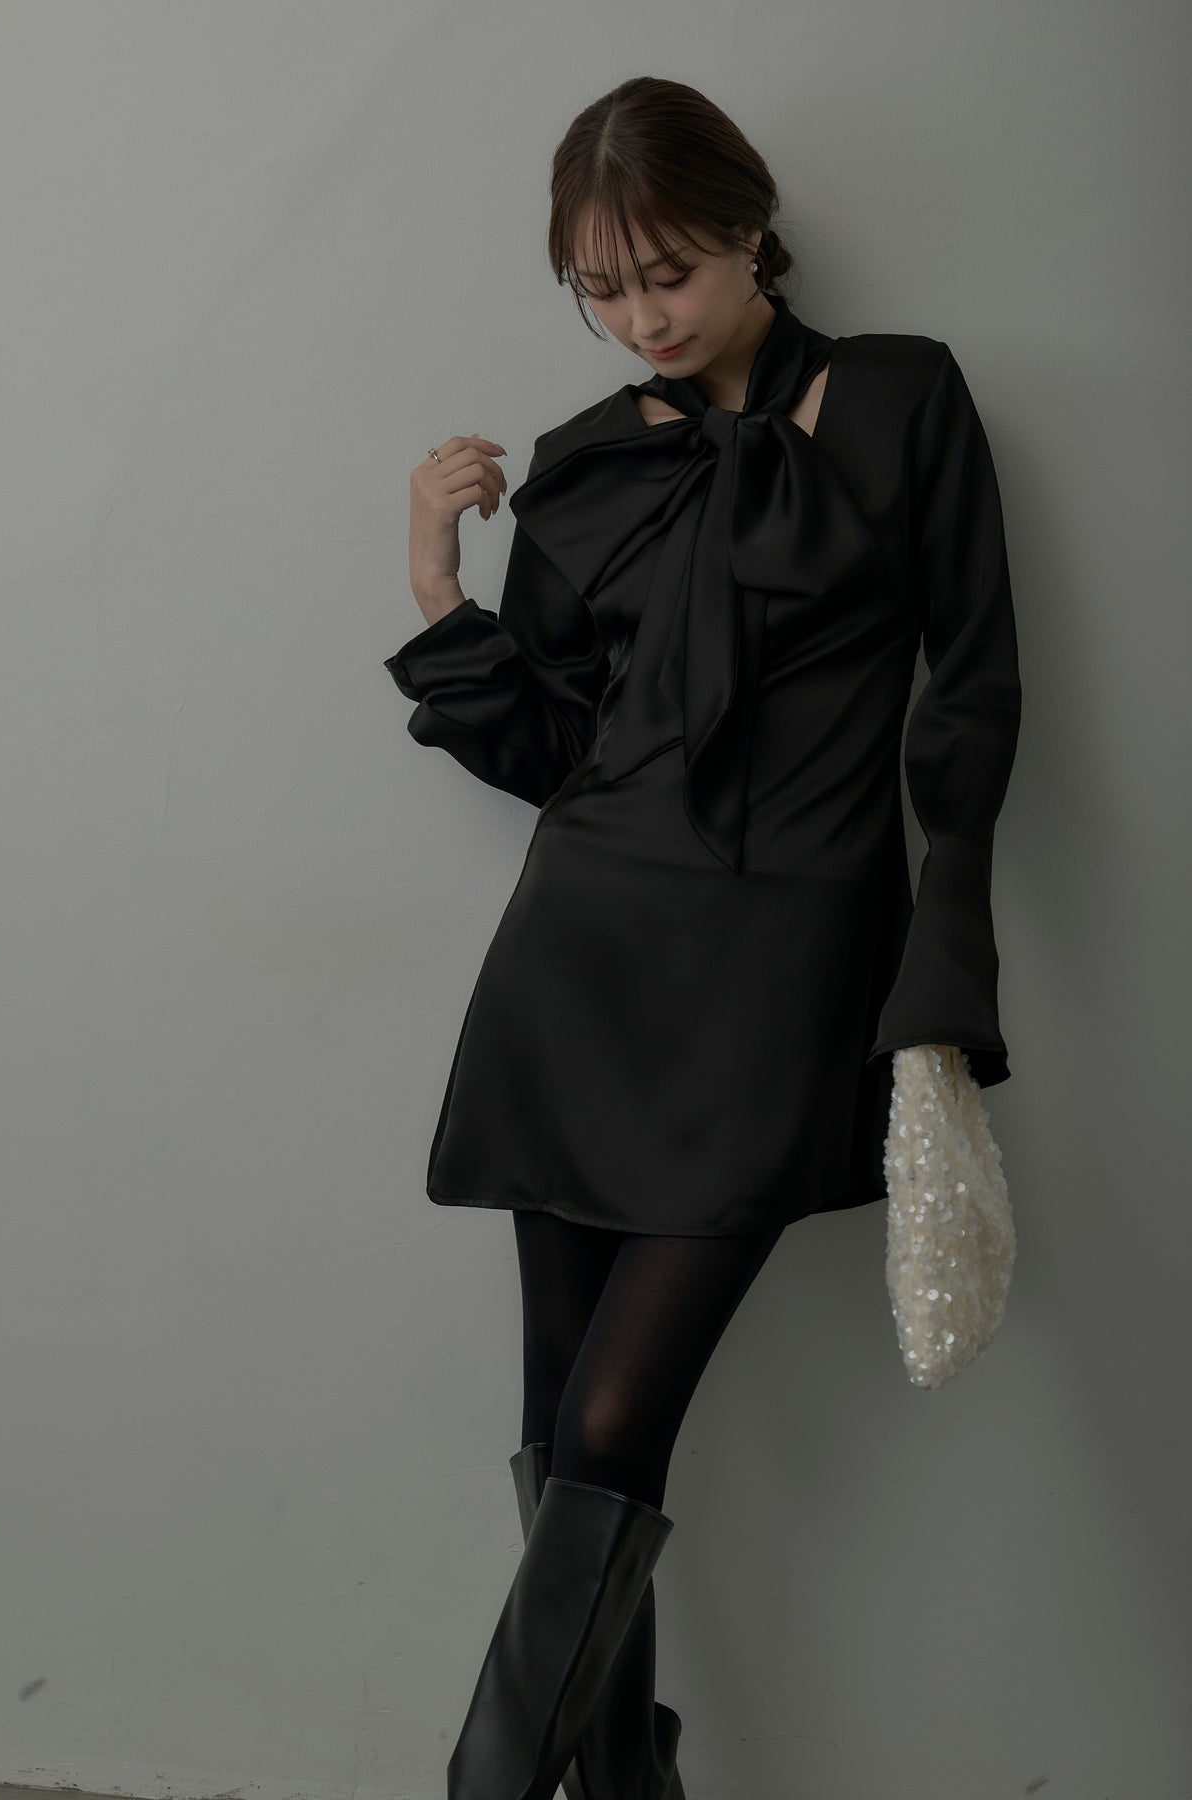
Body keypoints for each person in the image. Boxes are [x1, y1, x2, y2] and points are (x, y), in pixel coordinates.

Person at [383, 75, 1022, 1800]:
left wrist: (944, 955)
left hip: (783, 966)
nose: (640, 318)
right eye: (599, 289)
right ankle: (618, 1781)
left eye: (666, 272)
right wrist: (440, 593)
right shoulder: (588, 467)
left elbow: (968, 693)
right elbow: (557, 751)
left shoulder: (900, 396)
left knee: (609, 1421)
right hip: (578, 961)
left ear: (748, 230)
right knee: (561, 1428)